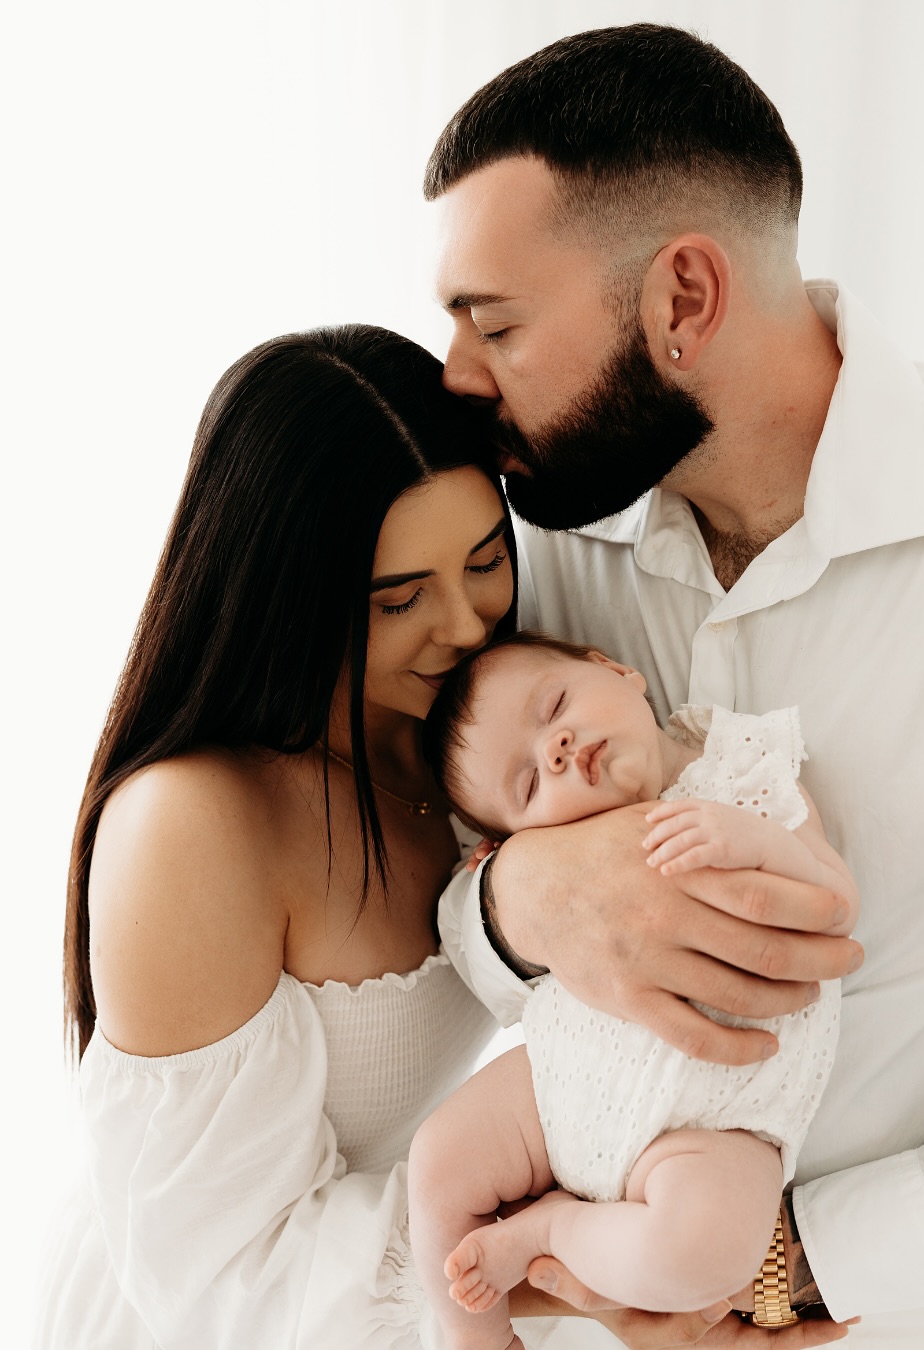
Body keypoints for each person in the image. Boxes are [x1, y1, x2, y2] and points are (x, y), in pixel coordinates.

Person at [426, 23, 924, 1349]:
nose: (456, 376)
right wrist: (520, 895)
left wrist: (797, 1261)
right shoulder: (535, 541)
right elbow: (442, 914)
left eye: (495, 322)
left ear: (683, 297)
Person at [37, 324, 712, 1350]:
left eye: (486, 560)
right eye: (399, 599)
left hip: (436, 1265)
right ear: (289, 601)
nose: (465, 626)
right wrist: (582, 1260)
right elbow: (228, 1281)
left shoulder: (480, 731)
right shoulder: (194, 824)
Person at [409, 630, 858, 1350]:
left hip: (716, 1116)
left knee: (709, 1253)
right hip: (565, 1076)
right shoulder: (566, 864)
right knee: (436, 1160)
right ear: (513, 840)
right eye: (528, 785)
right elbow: (479, 916)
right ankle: (477, 1341)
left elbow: (835, 902)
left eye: (554, 705)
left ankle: (556, 1227)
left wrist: (751, 841)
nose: (553, 749)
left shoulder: (744, 772)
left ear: (616, 670)